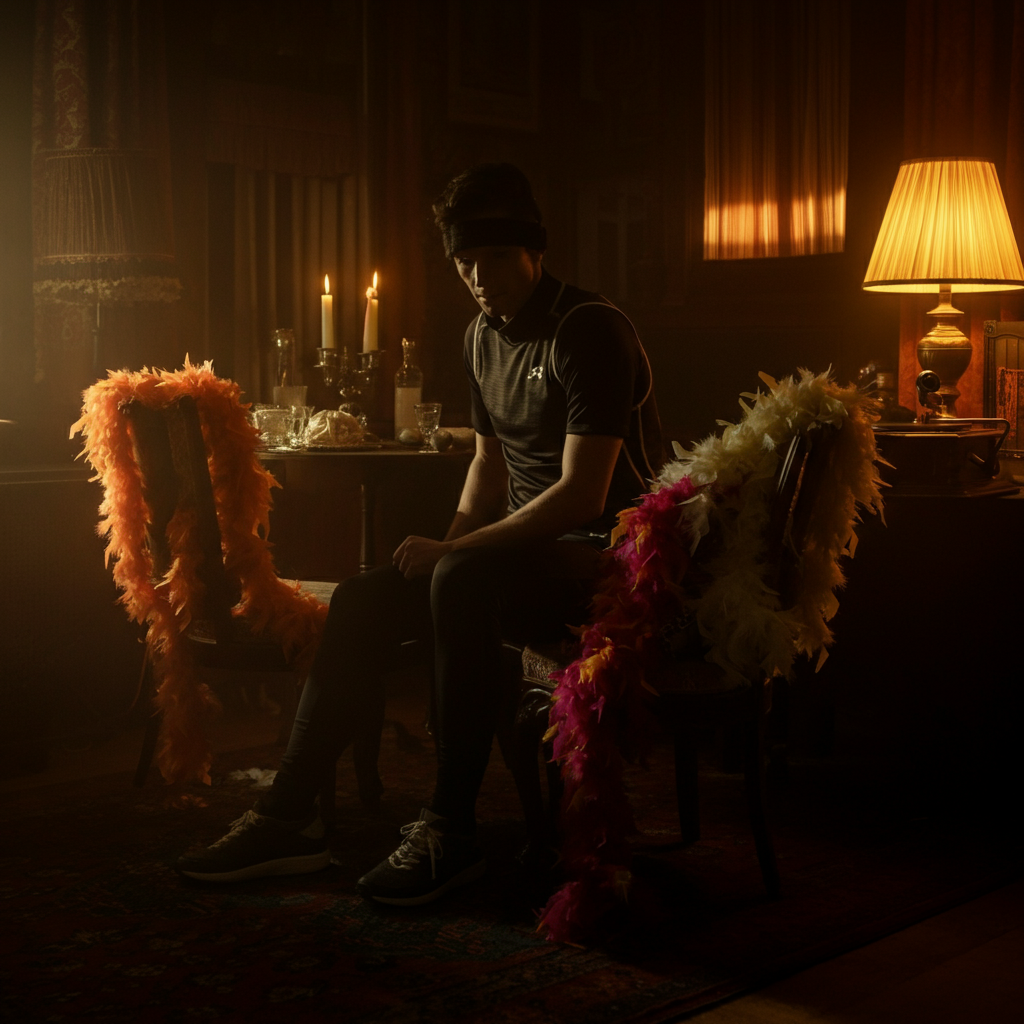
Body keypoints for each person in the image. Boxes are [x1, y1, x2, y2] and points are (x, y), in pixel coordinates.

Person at [177, 163, 662, 906]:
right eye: (464, 260)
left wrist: (456, 554)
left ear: (535, 249)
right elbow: (488, 463)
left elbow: (582, 494)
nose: (478, 275)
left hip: (606, 559)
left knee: (459, 575)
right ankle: (291, 814)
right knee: (367, 598)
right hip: (519, 553)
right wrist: (447, 548)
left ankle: (451, 830)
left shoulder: (586, 328)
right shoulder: (478, 336)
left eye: (496, 257)